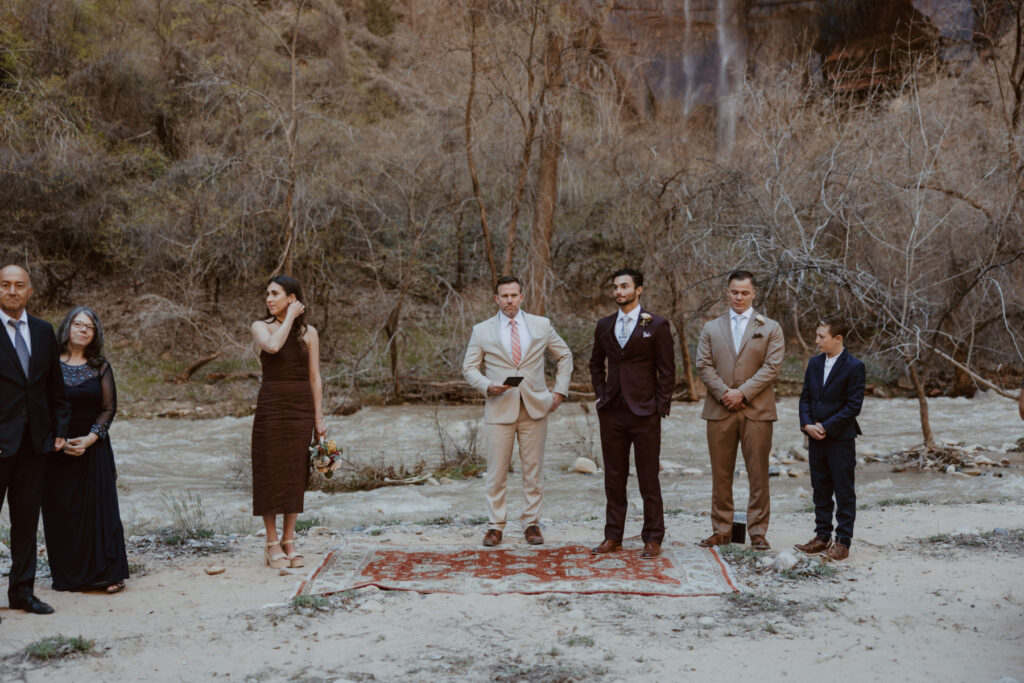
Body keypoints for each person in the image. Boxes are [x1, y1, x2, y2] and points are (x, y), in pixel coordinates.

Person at [462, 275, 573, 547]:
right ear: (496, 299)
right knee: (496, 471)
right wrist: (487, 385)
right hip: (499, 408)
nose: (509, 300)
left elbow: (565, 355)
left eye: (514, 295)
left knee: (533, 470)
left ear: (522, 297)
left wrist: (559, 391)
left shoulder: (541, 325)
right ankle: (495, 525)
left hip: (535, 406)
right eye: (504, 296)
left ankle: (531, 523)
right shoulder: (482, 330)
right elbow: (468, 368)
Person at [589, 268, 675, 559]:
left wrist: (659, 407)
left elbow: (667, 370)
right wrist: (601, 395)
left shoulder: (657, 325)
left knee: (648, 478)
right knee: (613, 477)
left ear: (639, 289)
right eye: (615, 287)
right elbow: (595, 365)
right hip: (612, 411)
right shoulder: (604, 325)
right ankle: (613, 536)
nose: (618, 292)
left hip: (644, 412)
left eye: (624, 286)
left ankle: (652, 537)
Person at [42, 307, 130, 593]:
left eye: (89, 327)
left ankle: (109, 574)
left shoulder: (100, 366)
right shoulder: (49, 363)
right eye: (77, 324)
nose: (82, 329)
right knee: (60, 512)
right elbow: (39, 404)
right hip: (56, 449)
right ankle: (69, 577)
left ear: (95, 334)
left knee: (101, 512)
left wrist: (92, 438)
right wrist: (57, 438)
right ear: (66, 328)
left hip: (93, 448)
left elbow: (108, 408)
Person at [0, 265, 70, 619]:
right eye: (5, 285)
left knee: (26, 522)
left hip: (34, 444)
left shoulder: (43, 332)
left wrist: (58, 428)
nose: (12, 290)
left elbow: (54, 388)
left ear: (30, 291)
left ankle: (22, 593)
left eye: (19, 285)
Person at [696, 270, 784, 550]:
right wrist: (725, 393)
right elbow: (703, 365)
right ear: (727, 292)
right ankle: (722, 530)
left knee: (758, 474)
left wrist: (742, 393)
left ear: (754, 294)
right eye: (735, 292)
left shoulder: (770, 327)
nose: (739, 297)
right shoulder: (711, 327)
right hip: (719, 409)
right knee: (721, 474)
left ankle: (757, 531)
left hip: (756, 409)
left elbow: (772, 367)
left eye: (745, 292)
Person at [250, 276, 326, 569]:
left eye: (275, 294)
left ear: (291, 297)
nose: (269, 299)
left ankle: (289, 538)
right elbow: (272, 347)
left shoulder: (310, 334)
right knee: (269, 471)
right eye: (267, 294)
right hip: (271, 407)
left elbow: (315, 377)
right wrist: (288, 318)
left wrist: (318, 418)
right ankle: (271, 542)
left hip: (299, 409)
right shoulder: (261, 327)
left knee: (295, 473)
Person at [794, 317, 866, 562]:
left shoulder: (854, 366)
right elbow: (805, 397)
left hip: (840, 438)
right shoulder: (814, 364)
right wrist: (806, 425)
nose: (816, 341)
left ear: (838, 339)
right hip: (814, 437)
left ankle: (843, 542)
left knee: (844, 490)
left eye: (821, 336)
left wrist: (826, 425)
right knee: (820, 488)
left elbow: (853, 406)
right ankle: (821, 536)